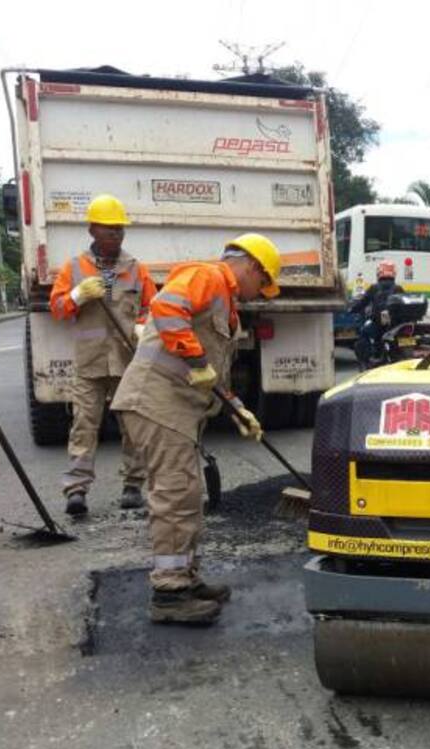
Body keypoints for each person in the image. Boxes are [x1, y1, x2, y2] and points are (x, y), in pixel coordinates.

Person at [111, 234, 278, 625]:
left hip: (174, 408)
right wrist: (196, 357)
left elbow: (212, 375)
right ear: (252, 267)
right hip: (155, 402)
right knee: (175, 495)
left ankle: (185, 578)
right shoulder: (209, 276)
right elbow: (167, 306)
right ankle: (169, 594)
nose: (260, 295)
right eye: (263, 283)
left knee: (186, 495)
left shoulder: (226, 303)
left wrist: (239, 410)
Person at [49, 194, 157, 517]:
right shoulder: (75, 268)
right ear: (93, 230)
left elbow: (152, 308)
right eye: (110, 230)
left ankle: (133, 486)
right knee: (84, 424)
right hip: (90, 363)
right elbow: (57, 308)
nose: (117, 236)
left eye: (120, 230)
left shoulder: (136, 269)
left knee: (132, 426)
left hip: (126, 360)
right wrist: (77, 295)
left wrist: (141, 326)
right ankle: (77, 490)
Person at [351, 260, 403, 367]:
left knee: (364, 332)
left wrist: (352, 309)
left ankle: (370, 359)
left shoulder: (374, 288)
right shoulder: (398, 288)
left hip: (379, 323)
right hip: (396, 323)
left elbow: (363, 302)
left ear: (379, 273)